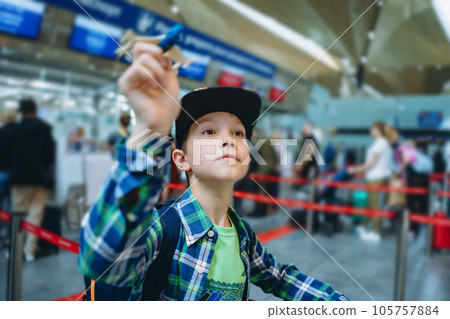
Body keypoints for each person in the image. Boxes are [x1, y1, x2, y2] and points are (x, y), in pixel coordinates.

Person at [78, 43, 348, 301]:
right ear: (182, 159)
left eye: (238, 133)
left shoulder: (243, 236)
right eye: (208, 131)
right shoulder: (164, 229)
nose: (228, 139)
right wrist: (150, 127)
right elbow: (105, 262)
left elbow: (278, 278)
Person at [10, 99, 55, 261]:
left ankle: (16, 250)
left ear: (21, 112)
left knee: (18, 215)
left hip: (20, 178)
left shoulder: (17, 129)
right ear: (35, 111)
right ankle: (29, 252)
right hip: (41, 178)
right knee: (36, 215)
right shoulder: (45, 128)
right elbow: (50, 156)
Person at [348, 122, 393, 243]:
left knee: (374, 205)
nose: (371, 130)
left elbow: (371, 163)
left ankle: (375, 232)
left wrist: (355, 169)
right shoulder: (383, 143)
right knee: (370, 204)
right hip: (378, 176)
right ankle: (363, 227)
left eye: (373, 128)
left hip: (375, 177)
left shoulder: (380, 143)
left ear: (378, 129)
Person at [395, 140, 433, 238]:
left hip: (414, 181)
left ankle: (412, 230)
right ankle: (427, 230)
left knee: (412, 206)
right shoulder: (419, 154)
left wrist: (398, 173)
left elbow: (406, 161)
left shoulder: (403, 151)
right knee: (423, 205)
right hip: (424, 180)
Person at [0, 108, 17, 212]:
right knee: (13, 203)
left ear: (6, 118)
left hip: (2, 171)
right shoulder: (21, 132)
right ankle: (12, 227)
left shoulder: (1, 133)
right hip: (17, 173)